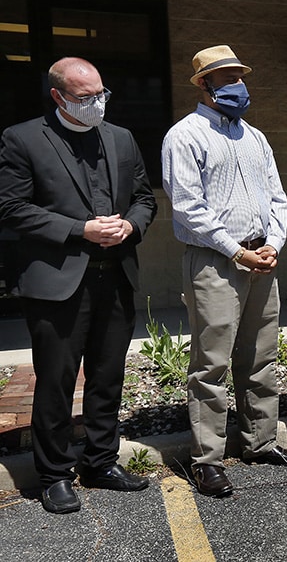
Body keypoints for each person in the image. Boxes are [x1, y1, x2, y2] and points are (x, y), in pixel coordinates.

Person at [0, 57, 157, 514]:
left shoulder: (121, 137)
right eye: (85, 98)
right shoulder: (23, 138)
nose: (96, 104)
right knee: (56, 381)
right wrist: (80, 229)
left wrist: (130, 226)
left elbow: (145, 198)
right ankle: (53, 475)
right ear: (58, 96)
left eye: (101, 95)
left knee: (108, 377)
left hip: (117, 276)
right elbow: (11, 208)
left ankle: (101, 462)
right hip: (58, 283)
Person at [162, 45, 287, 499]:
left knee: (261, 354)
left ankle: (259, 442)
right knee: (212, 363)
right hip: (214, 262)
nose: (236, 86)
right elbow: (187, 207)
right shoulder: (183, 136)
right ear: (204, 84)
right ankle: (206, 460)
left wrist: (273, 244)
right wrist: (236, 251)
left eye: (238, 76)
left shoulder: (256, 137)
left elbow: (277, 196)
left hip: (261, 257)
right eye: (225, 78)